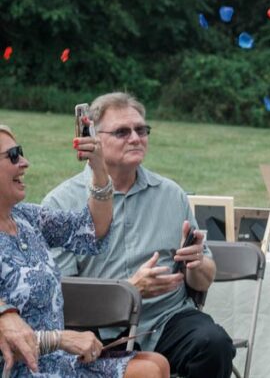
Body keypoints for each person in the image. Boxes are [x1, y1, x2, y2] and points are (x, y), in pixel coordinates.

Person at [42, 94, 234, 378]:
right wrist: (129, 290)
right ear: (93, 137)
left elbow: (202, 280)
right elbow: (64, 297)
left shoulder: (171, 195)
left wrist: (198, 265)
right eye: (122, 131)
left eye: (141, 130)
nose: (135, 138)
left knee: (214, 343)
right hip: (97, 327)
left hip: (164, 318)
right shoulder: (61, 203)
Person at [0, 121, 169, 377]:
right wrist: (60, 338)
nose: (24, 162)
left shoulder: (25, 218)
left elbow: (91, 229)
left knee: (154, 366)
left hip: (57, 361)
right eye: (13, 156)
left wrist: (99, 168)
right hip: (18, 369)